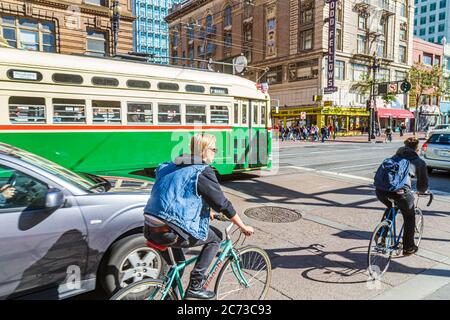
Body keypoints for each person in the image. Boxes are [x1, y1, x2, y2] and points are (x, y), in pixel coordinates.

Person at [143, 134, 254, 300]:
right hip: (169, 230)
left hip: (150, 225)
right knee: (216, 237)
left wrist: (204, 210)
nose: (215, 153)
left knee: (178, 265)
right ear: (204, 151)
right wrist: (242, 225)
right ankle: (196, 285)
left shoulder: (172, 165)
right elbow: (222, 203)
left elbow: (181, 193)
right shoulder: (202, 170)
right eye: (213, 149)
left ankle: (168, 295)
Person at [374, 137, 429, 256]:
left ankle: (381, 233)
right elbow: (422, 186)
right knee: (409, 216)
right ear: (417, 149)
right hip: (400, 192)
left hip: (381, 190)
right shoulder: (419, 162)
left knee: (391, 207)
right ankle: (408, 247)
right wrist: (421, 191)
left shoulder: (396, 157)